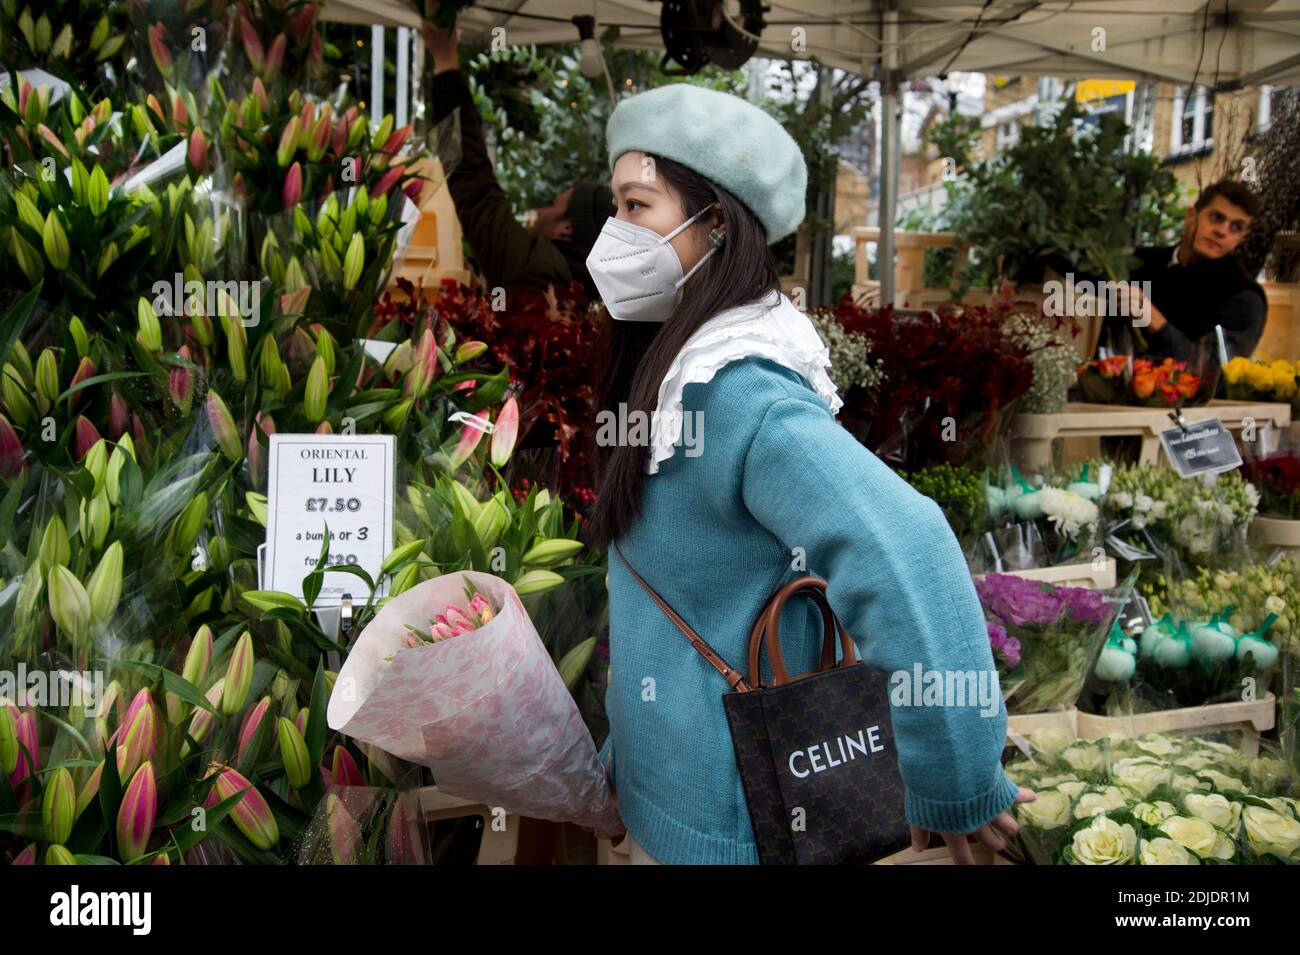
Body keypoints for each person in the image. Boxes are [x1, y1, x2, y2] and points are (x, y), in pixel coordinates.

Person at [582, 84, 1033, 865]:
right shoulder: (676, 368)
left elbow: (906, 544)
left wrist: (954, 772)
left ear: (714, 222)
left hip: (739, 824)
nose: (613, 233)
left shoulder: (738, 389)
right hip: (671, 808)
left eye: (636, 206)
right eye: (614, 206)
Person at [421, 23, 612, 301]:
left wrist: (445, 62)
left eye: (554, 206)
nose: (541, 210)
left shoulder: (534, 265)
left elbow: (472, 182)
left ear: (566, 229)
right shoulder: (596, 298)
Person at [1103, 180, 1267, 381]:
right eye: (1216, 218)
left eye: (1235, 227)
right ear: (1191, 216)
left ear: (1241, 238)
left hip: (1185, 409)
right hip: (1105, 396)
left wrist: (1156, 322)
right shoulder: (1139, 263)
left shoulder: (1243, 295)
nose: (1222, 231)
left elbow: (1215, 375)